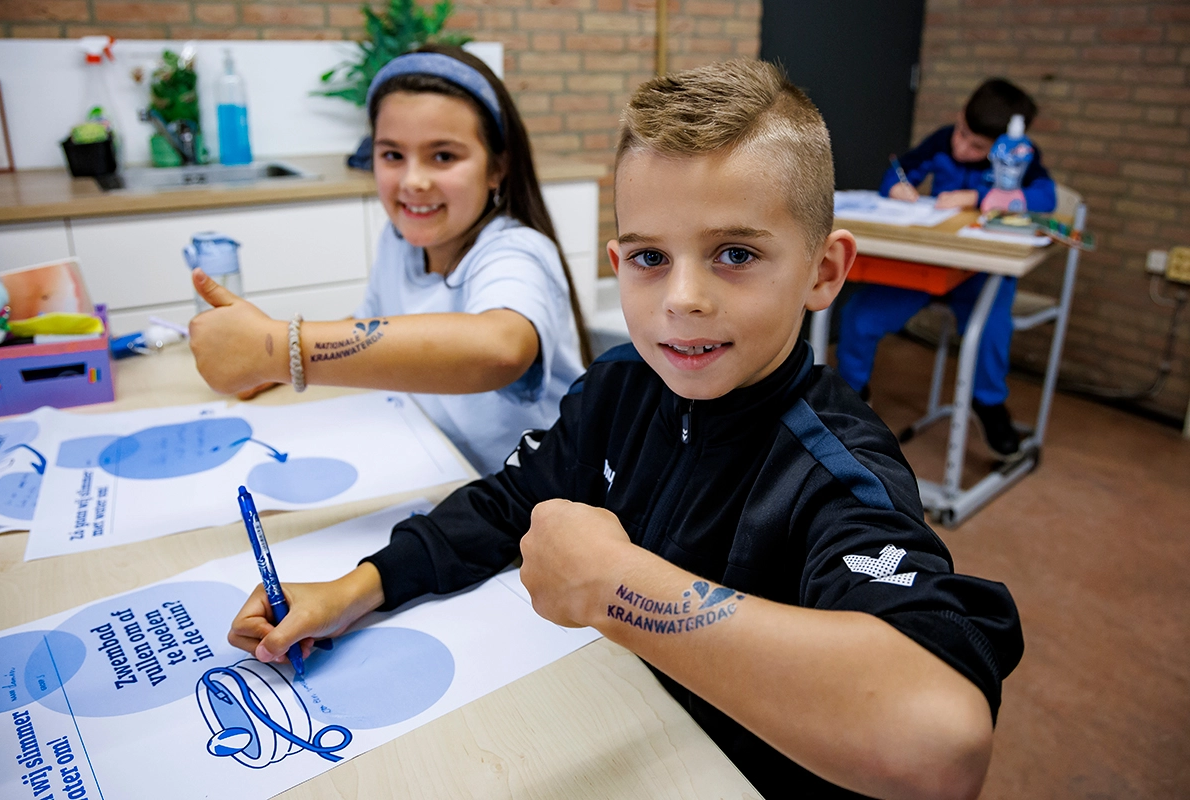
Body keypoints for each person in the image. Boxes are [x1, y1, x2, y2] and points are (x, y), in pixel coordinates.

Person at [228, 60, 1023, 799]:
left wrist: (618, 587)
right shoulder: (621, 385)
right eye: (649, 257)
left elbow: (940, 743)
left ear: (824, 271)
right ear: (616, 260)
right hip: (623, 729)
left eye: (735, 253)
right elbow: (510, 504)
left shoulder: (835, 468)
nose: (683, 298)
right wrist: (352, 590)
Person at [188, 45, 590, 476]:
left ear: (497, 168)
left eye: (444, 156)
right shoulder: (398, 241)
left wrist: (278, 349)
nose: (413, 182)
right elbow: (369, 325)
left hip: (531, 499)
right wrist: (272, 368)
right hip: (439, 466)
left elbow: (499, 349)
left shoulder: (516, 251)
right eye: (392, 155)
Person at [836, 78, 1057, 458]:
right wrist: (896, 188)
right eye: (961, 133)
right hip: (929, 269)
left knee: (989, 329)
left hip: (982, 275)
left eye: (977, 146)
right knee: (860, 315)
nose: (961, 146)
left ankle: (988, 404)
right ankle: (851, 395)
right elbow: (901, 171)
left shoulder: (1020, 156)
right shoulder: (941, 141)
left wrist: (980, 196)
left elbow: (1045, 197)